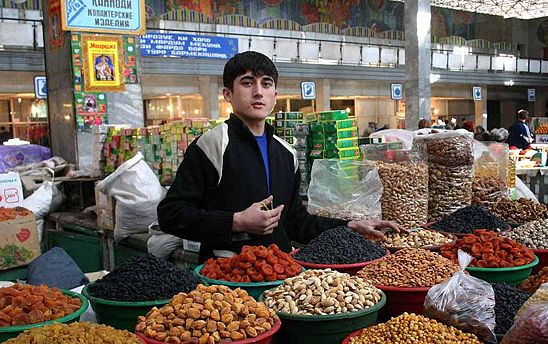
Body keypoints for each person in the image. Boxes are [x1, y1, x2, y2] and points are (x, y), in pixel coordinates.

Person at [157, 51, 400, 261]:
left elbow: (294, 221)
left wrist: (349, 226)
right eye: (247, 83)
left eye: (266, 83)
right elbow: (171, 214)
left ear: (275, 93)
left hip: (280, 270)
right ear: (228, 94)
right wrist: (236, 221)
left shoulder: (286, 153)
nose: (258, 92)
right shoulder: (211, 146)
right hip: (228, 278)